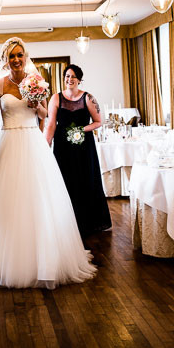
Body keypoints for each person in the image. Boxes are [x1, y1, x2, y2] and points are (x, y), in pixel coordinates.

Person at [0, 37, 97, 289]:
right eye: (12, 56)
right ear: (5, 58)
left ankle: (43, 261)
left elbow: (45, 114)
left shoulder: (34, 80)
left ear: (25, 57)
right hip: (6, 141)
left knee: (39, 200)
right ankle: (3, 262)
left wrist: (36, 104)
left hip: (31, 141)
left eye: (20, 55)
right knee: (5, 201)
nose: (16, 59)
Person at [44, 64, 112, 236]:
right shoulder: (56, 98)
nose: (69, 79)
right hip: (63, 147)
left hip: (84, 147)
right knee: (65, 180)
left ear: (80, 79)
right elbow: (51, 124)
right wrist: (46, 145)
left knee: (86, 179)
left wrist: (81, 130)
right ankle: (67, 221)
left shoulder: (88, 98)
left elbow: (98, 121)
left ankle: (88, 221)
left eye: (73, 76)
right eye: (67, 76)